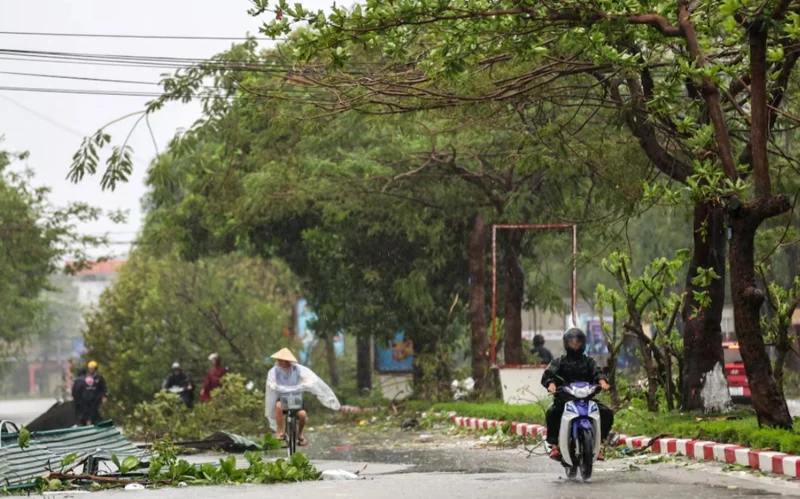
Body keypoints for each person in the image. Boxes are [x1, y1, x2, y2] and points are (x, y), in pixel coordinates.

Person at [542, 328, 614, 460]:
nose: (575, 344)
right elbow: (549, 373)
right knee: (552, 412)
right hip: (564, 398)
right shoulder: (559, 361)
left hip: (586, 398)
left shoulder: (589, 361)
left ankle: (600, 444)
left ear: (583, 343)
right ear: (566, 343)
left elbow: (597, 372)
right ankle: (554, 445)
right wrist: (551, 384)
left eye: (578, 341)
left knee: (606, 412)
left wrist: (602, 382)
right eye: (571, 341)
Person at [264, 348, 341, 447]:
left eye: (285, 360)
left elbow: (307, 377)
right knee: (278, 406)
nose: (283, 363)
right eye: (281, 360)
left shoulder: (297, 369)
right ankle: (281, 432)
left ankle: (300, 434)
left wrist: (307, 383)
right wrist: (273, 385)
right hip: (283, 397)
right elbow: (272, 382)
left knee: (302, 415)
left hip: (296, 399)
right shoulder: (274, 371)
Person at [78, 361, 108, 426]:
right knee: (87, 411)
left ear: (95, 368)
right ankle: (88, 423)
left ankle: (98, 422)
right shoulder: (87, 377)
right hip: (88, 398)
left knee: (95, 410)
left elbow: (104, 387)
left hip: (97, 397)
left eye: (92, 368)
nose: (90, 369)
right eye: (89, 368)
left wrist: (104, 396)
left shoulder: (99, 377)